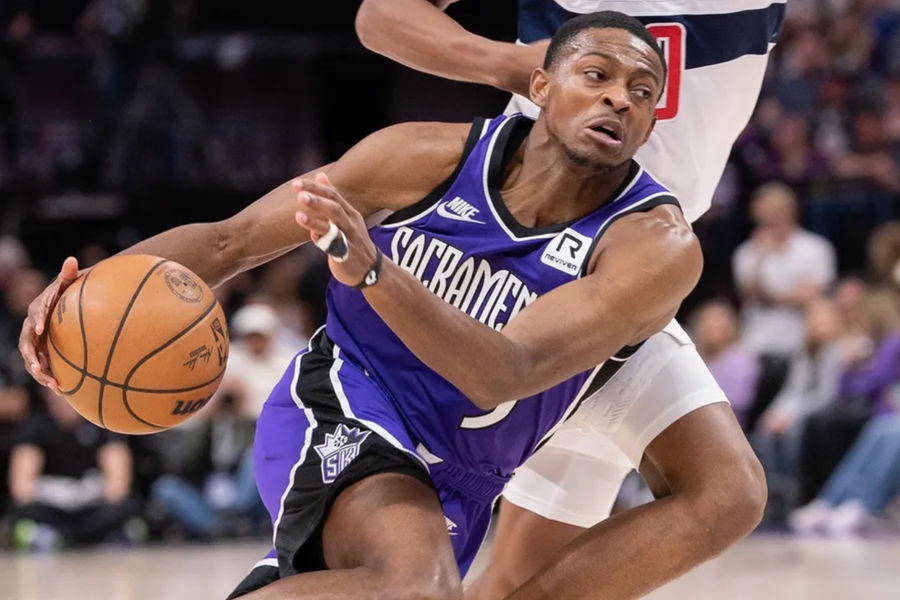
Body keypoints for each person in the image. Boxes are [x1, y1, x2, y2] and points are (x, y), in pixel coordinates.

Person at [21, 14, 764, 599]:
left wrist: (373, 271)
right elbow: (229, 243)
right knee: (416, 589)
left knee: (729, 492)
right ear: (539, 87)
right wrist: (81, 293)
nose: (618, 99)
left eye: (641, 93)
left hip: (467, 461)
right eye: (596, 76)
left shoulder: (656, 243)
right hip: (350, 403)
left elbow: (507, 370)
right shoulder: (422, 158)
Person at [356, 0, 782, 595]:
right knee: (400, 571)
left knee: (719, 497)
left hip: (630, 280)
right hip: (512, 265)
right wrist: (509, 65)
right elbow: (381, 16)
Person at [8, 388, 140, 551]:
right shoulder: (34, 427)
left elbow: (118, 486)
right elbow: (21, 488)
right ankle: (58, 535)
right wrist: (58, 492)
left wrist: (85, 492)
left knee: (126, 509)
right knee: (22, 512)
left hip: (91, 504)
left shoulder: (103, 424)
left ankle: (90, 535)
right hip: (52, 506)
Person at [689, 300, 759, 429]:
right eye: (707, 323)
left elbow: (739, 401)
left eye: (718, 323)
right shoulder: (692, 357)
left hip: (727, 427)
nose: (712, 327)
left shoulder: (741, 359)